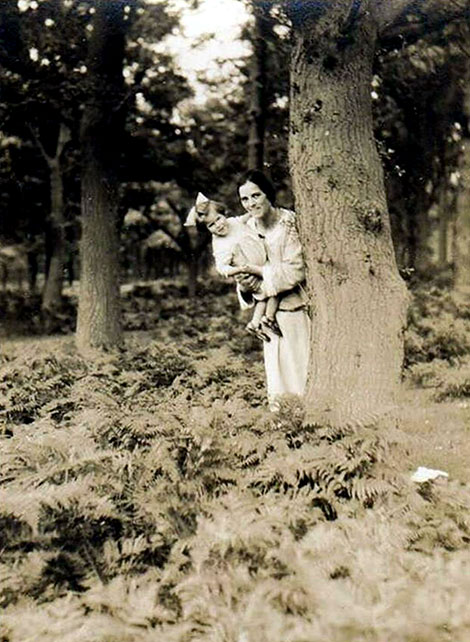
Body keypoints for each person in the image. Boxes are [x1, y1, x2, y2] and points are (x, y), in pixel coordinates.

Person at [234, 170, 310, 408]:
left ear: (268, 194)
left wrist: (259, 272)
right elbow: (241, 268)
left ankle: (308, 421)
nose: (250, 204)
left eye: (256, 196)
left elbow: (295, 270)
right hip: (267, 313)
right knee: (276, 371)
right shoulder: (244, 229)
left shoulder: (289, 223)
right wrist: (245, 285)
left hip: (294, 307)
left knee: (299, 367)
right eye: (245, 199)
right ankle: (284, 425)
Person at [184, 192, 282, 340]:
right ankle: (267, 318)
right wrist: (239, 270)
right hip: (249, 272)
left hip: (262, 263)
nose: (219, 225)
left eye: (218, 219)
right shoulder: (220, 244)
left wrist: (253, 211)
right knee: (275, 288)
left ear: (224, 214)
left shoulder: (233, 222)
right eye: (211, 225)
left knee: (265, 296)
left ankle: (256, 323)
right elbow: (222, 268)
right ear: (207, 230)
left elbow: (244, 217)